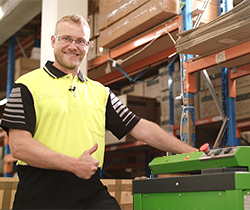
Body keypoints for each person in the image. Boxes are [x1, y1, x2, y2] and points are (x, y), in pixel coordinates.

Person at [0, 14, 198, 210]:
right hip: (38, 196)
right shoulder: (27, 85)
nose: (73, 46)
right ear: (53, 41)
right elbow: (19, 146)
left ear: (87, 47)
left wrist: (194, 154)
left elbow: (139, 127)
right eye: (66, 39)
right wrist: (73, 164)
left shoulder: (100, 92)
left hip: (89, 193)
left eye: (80, 41)